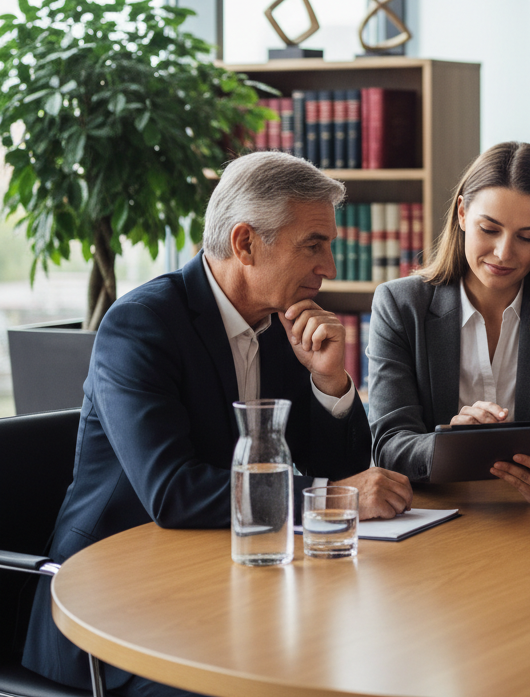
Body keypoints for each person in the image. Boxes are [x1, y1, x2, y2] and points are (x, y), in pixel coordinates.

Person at [23, 151, 412, 696]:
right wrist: (330, 494)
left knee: (367, 656)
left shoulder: (282, 327)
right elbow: (173, 493)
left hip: (231, 588)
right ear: (246, 242)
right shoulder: (140, 327)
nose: (329, 268)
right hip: (115, 611)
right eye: (313, 245)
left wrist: (329, 382)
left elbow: (338, 474)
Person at [368, 141, 530, 502]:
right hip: (439, 517)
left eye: (527, 237)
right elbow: (389, 442)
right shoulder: (400, 304)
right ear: (462, 214)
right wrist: (446, 444)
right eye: (489, 229)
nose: (504, 253)